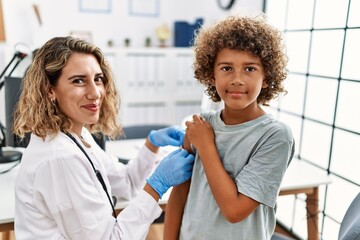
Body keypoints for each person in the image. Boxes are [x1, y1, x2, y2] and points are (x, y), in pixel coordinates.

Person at [13, 36, 194, 239]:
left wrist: (151, 145)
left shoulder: (76, 133)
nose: (95, 93)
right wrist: (157, 186)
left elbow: (126, 183)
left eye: (98, 79)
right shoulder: (61, 157)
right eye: (79, 81)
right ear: (49, 90)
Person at [164, 15, 295, 239]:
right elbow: (179, 192)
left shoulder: (275, 136)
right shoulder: (200, 126)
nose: (237, 79)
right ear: (211, 74)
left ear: (266, 77)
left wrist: (206, 146)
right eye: (226, 68)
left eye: (250, 69)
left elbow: (234, 211)